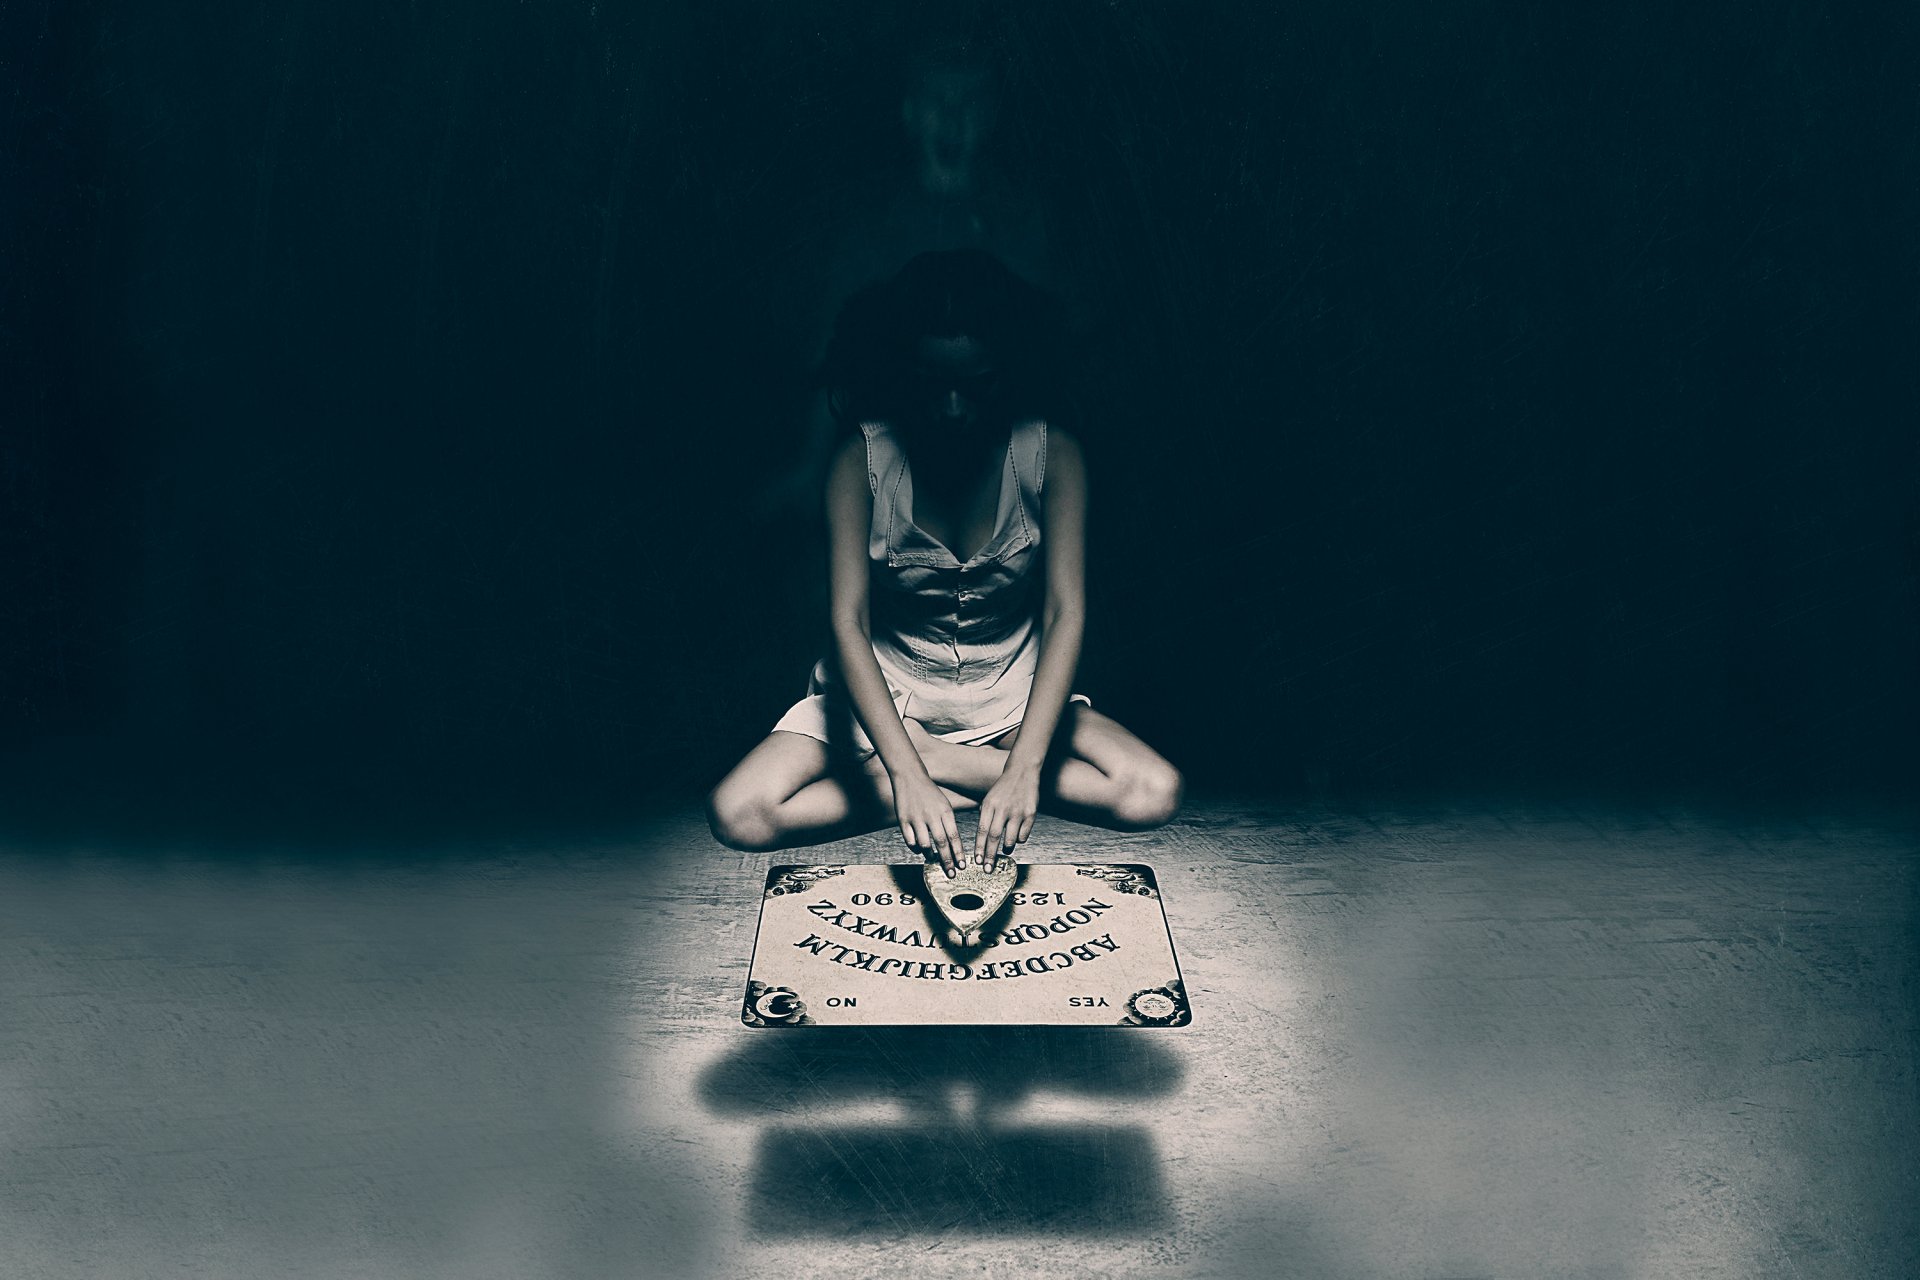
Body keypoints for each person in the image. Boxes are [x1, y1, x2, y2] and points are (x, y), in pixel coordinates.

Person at [707, 250, 1181, 873]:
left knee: (1153, 791)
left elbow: (1066, 612)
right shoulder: (859, 461)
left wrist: (1024, 769)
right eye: (933, 384)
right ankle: (946, 780)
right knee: (739, 812)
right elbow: (847, 623)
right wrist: (904, 771)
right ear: (903, 371)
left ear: (1008, 369)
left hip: (1013, 699)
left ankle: (951, 769)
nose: (955, 407)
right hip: (886, 698)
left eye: (977, 383)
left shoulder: (1053, 454)